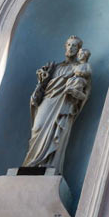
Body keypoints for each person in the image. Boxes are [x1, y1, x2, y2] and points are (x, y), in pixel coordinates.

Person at [22, 35, 92, 171]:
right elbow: (43, 86)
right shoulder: (55, 66)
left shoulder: (80, 68)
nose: (71, 48)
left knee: (57, 135)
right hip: (48, 100)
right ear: (65, 47)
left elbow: (84, 89)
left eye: (75, 46)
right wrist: (42, 79)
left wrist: (75, 94)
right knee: (37, 128)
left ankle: (49, 166)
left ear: (79, 50)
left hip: (64, 103)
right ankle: (32, 163)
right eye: (69, 45)